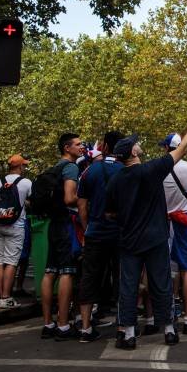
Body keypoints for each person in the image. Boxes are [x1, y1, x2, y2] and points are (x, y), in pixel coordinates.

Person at [106, 114, 187, 349]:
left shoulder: (115, 181)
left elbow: (110, 214)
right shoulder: (151, 170)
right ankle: (169, 329)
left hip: (129, 240)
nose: (139, 144)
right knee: (162, 284)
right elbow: (181, 149)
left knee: (128, 286)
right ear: (134, 153)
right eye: (136, 144)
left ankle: (128, 333)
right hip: (156, 238)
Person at [75, 133, 123, 342]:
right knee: (123, 278)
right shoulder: (126, 171)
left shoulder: (89, 172)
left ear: (103, 146)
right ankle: (124, 326)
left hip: (95, 232)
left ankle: (85, 327)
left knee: (89, 278)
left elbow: (81, 206)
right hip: (120, 233)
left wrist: (87, 229)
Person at [40, 132, 85, 341]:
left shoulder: (54, 168)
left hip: (53, 224)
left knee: (50, 272)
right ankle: (63, 324)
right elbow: (69, 198)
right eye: (77, 144)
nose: (81, 147)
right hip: (67, 223)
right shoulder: (71, 167)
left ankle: (48, 322)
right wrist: (85, 198)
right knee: (67, 272)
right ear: (67, 148)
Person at [159, 133, 187, 335]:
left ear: (167, 148)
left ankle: (159, 317)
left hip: (162, 221)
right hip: (184, 222)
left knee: (161, 270)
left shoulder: (158, 167)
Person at [0, 154, 34, 309]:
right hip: (16, 225)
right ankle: (6, 297)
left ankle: (0, 296)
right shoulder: (26, 183)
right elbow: (32, 202)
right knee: (11, 262)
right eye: (24, 166)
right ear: (20, 166)